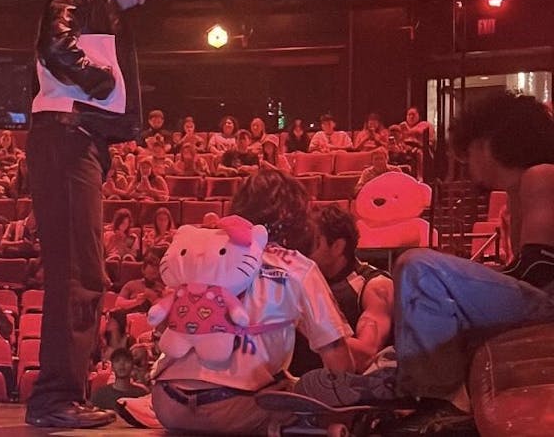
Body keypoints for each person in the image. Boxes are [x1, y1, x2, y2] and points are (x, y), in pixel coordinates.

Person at [307, 93, 554, 434]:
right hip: (541, 299)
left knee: (417, 267)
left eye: (469, 153)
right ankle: (398, 377)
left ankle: (435, 398)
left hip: (548, 301)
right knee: (418, 326)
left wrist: (459, 283)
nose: (467, 165)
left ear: (487, 144)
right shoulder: (519, 189)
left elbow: (539, 273)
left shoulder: (541, 176)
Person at [27, 0, 180, 429]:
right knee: (78, 273)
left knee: (83, 273)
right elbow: (56, 43)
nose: (144, 1)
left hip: (77, 138)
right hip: (67, 137)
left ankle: (59, 396)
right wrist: (102, 79)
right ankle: (55, 399)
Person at [147, 170, 353, 434]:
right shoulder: (297, 266)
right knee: (304, 392)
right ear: (297, 218)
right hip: (236, 409)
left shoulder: (203, 250)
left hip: (166, 403)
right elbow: (338, 359)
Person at [290, 205, 393, 377]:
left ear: (337, 246)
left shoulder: (375, 286)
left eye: (310, 243)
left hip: (342, 399)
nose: (301, 251)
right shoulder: (297, 279)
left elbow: (365, 357)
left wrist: (303, 320)